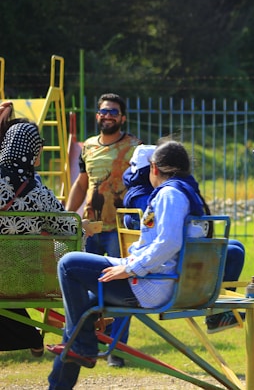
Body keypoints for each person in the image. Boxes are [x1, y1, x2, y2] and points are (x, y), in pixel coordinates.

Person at [47, 140, 205, 389]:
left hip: (149, 285)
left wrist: (130, 269)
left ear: (154, 168)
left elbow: (168, 242)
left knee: (68, 264)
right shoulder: (185, 190)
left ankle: (82, 348)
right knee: (79, 318)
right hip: (152, 278)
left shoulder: (170, 194)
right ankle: (64, 374)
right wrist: (128, 264)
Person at [122, 144, 246, 334]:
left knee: (236, 247)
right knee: (234, 251)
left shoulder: (170, 189)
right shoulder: (164, 194)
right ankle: (215, 310)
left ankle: (219, 312)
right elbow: (167, 239)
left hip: (174, 254)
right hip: (167, 263)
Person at [65, 93, 142, 368]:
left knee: (123, 291)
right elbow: (82, 183)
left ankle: (116, 349)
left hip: (120, 231)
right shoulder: (87, 146)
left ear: (122, 117)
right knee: (91, 289)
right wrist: (67, 214)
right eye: (102, 111)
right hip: (91, 229)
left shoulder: (135, 147)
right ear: (97, 116)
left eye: (113, 111)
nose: (107, 115)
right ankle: (91, 341)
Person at [0, 120, 79, 358]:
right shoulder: (39, 192)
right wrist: (84, 229)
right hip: (28, 282)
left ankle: (29, 336)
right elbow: (69, 230)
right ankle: (32, 337)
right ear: (32, 153)